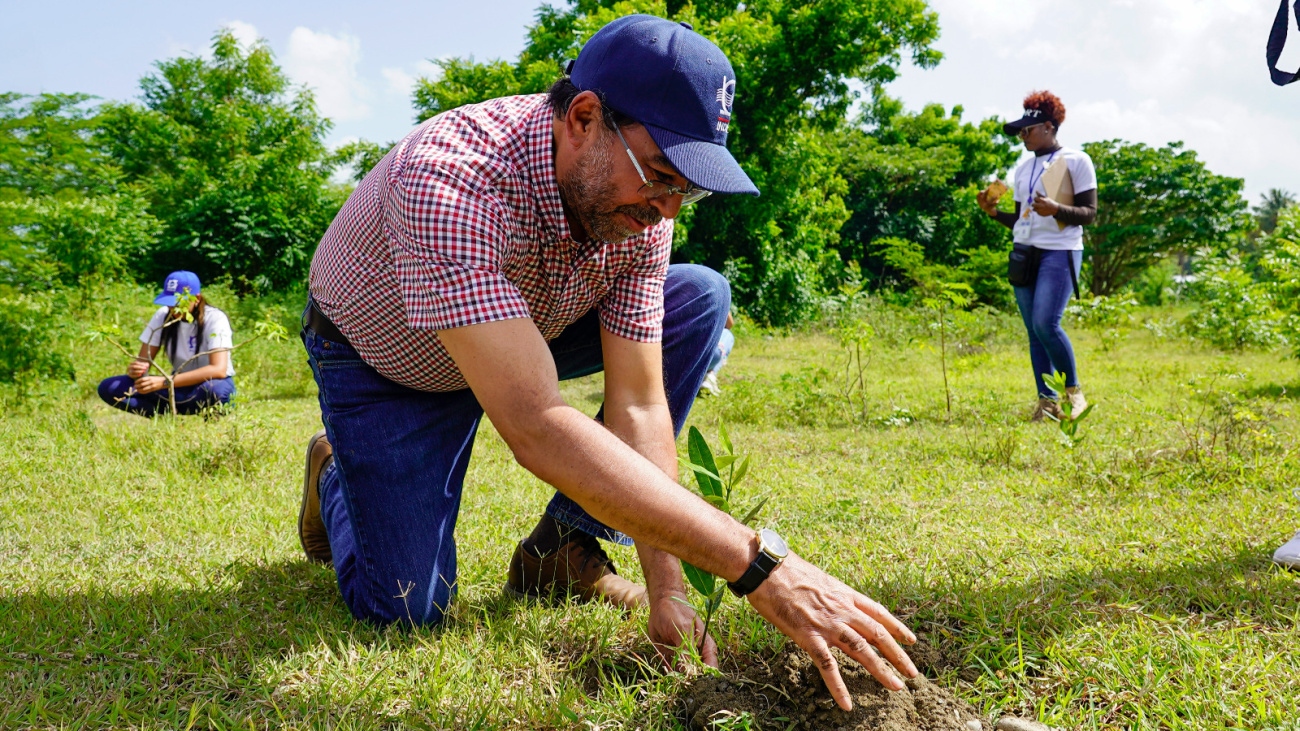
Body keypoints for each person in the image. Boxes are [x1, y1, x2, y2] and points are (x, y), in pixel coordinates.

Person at [297, 14, 917, 710]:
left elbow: (639, 404)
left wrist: (669, 591)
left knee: (698, 296)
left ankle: (562, 547)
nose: (668, 207)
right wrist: (759, 565)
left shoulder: (641, 202)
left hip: (524, 322)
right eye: (659, 175)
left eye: (687, 187)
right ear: (585, 116)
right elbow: (534, 424)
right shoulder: (450, 180)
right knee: (408, 609)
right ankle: (336, 475)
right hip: (389, 365)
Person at [978, 90, 1097, 422]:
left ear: (1048, 126)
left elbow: (1089, 213)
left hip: (1060, 252)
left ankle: (1074, 394)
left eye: (1027, 130)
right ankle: (1047, 405)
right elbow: (1021, 220)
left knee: (1047, 322)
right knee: (1034, 330)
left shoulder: (1076, 160)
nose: (1022, 137)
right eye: (1020, 132)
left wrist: (1057, 207)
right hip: (1025, 252)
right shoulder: (1023, 168)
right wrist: (992, 212)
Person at [98, 271, 236, 416]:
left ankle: (212, 420)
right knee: (109, 387)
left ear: (196, 298)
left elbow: (218, 369)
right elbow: (144, 362)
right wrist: (136, 371)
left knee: (216, 390)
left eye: (179, 303)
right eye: (170, 303)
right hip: (176, 385)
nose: (173, 309)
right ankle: (167, 419)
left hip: (205, 386)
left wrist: (164, 381)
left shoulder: (215, 318)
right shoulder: (163, 315)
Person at [699, 311, 734, 396]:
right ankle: (710, 375)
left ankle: (709, 376)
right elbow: (729, 324)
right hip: (707, 355)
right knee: (727, 335)